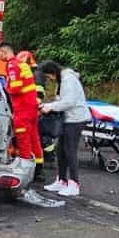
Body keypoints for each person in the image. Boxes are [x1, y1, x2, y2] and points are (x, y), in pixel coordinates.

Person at [38, 59, 89, 196]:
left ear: (53, 73)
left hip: (76, 119)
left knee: (70, 151)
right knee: (61, 150)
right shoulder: (62, 80)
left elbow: (69, 102)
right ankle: (61, 180)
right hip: (67, 119)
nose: (50, 79)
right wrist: (46, 105)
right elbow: (62, 100)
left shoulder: (68, 80)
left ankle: (74, 184)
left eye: (49, 77)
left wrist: (50, 107)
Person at [0, 42, 42, 167]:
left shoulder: (12, 66)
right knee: (34, 138)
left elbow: (15, 88)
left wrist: (3, 90)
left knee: (23, 140)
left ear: (4, 52)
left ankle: (25, 167)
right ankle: (39, 167)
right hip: (32, 107)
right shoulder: (22, 64)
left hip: (22, 109)